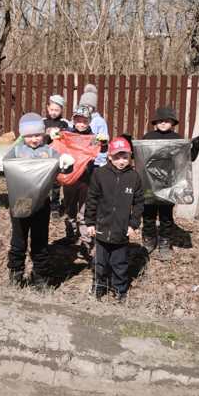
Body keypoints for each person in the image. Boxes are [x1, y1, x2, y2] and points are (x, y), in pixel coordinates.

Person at [0, 113, 74, 288]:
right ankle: (16, 274)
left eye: (37, 135)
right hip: (20, 202)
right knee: (18, 241)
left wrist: (67, 164)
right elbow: (4, 171)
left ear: (43, 134)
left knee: (40, 242)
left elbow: (63, 170)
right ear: (23, 135)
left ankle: (40, 277)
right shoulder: (16, 151)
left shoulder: (49, 152)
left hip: (42, 203)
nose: (34, 139)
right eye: (29, 135)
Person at [139, 106, 199, 260]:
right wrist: (129, 143)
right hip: (149, 183)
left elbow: (187, 159)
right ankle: (149, 240)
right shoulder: (147, 137)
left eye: (167, 120)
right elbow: (139, 156)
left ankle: (165, 242)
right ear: (155, 122)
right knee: (148, 214)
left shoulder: (177, 139)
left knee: (166, 215)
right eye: (160, 120)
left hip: (168, 184)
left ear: (173, 123)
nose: (163, 123)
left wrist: (195, 146)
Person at [84, 136, 144, 302]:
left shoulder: (134, 177)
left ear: (130, 157)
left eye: (125, 157)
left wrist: (133, 224)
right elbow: (92, 199)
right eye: (117, 157)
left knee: (120, 263)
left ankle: (120, 290)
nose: (121, 161)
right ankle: (99, 286)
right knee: (100, 262)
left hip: (121, 230)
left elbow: (139, 203)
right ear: (109, 156)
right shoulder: (100, 174)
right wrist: (90, 222)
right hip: (102, 227)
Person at [61, 105, 107, 259]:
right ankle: (70, 232)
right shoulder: (68, 135)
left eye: (84, 121)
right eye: (78, 120)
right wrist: (53, 136)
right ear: (73, 120)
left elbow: (101, 150)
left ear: (89, 122)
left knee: (85, 211)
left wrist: (104, 143)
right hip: (70, 179)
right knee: (70, 208)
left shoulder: (93, 137)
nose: (81, 124)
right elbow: (56, 146)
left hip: (87, 180)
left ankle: (86, 242)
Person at [43, 94, 69, 217]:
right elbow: (39, 138)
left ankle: (55, 207)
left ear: (61, 110)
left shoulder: (64, 123)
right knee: (44, 182)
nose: (54, 112)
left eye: (57, 110)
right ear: (48, 108)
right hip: (45, 156)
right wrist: (46, 134)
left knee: (56, 183)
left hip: (57, 156)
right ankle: (43, 204)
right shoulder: (43, 122)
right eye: (52, 109)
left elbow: (68, 137)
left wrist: (61, 134)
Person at [78, 84, 109, 167]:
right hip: (80, 158)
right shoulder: (77, 119)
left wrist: (101, 159)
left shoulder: (99, 121)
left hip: (96, 160)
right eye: (84, 106)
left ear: (94, 107)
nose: (87, 108)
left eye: (89, 106)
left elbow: (104, 139)